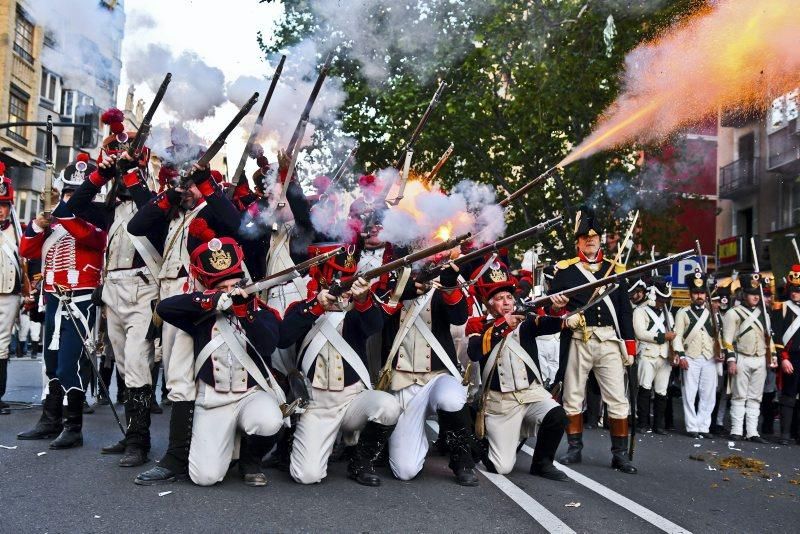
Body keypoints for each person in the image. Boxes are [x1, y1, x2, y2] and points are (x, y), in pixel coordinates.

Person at [129, 138, 244, 485]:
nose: (188, 189)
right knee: (176, 375)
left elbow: (234, 222)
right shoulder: (170, 211)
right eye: (185, 182)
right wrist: (171, 194)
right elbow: (136, 226)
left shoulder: (211, 208)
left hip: (200, 296)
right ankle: (180, 453)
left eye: (191, 183)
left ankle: (189, 454)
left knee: (194, 377)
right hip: (169, 296)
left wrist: (205, 182)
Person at [67, 108, 160, 467]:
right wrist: (101, 173)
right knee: (123, 363)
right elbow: (73, 207)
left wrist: (133, 174)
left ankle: (140, 440)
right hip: (113, 292)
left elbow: (148, 211)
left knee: (137, 362)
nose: (121, 179)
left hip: (142, 290)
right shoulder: (110, 210)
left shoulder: (150, 202)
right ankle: (132, 434)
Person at [156, 232, 285, 486]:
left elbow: (269, 344)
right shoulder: (200, 315)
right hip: (213, 400)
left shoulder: (261, 312)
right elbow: (164, 308)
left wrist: (246, 312)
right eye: (222, 288)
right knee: (205, 477)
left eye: (235, 285)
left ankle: (251, 460)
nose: (231, 291)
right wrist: (210, 301)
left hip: (250, 395)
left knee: (270, 420)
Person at [279, 243, 401, 486]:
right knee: (307, 476)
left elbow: (374, 325)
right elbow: (283, 337)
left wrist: (364, 298)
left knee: (388, 406)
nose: (345, 288)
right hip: (316, 404)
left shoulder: (358, 309)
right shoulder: (302, 307)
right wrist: (316, 306)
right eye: (338, 280)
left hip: (352, 399)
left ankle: (362, 461)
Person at [17, 156, 106, 448]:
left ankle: (74, 426)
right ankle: (50, 419)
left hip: (80, 300)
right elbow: (27, 249)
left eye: (75, 196)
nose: (69, 201)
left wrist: (63, 211)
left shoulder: (97, 226)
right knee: (52, 362)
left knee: (70, 364)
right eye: (66, 195)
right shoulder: (53, 227)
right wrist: (37, 225)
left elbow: (81, 232)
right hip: (54, 298)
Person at [550, 206, 637, 474]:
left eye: (595, 237)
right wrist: (562, 312)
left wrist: (629, 345)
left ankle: (619, 455)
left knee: (617, 398)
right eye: (585, 238)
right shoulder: (565, 272)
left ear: (600, 239)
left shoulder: (616, 269)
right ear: (577, 241)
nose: (591, 241)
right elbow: (553, 309)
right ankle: (574, 448)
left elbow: (624, 311)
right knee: (573, 395)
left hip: (609, 341)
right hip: (579, 339)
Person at [467, 260, 569, 480]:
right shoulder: (479, 326)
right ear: (488, 303)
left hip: (530, 393)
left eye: (509, 298)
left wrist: (557, 309)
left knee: (557, 414)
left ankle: (542, 463)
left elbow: (549, 323)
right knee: (500, 467)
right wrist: (505, 325)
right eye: (500, 298)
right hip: (501, 402)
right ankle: (483, 441)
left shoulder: (527, 321)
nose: (506, 303)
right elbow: (475, 352)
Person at [381, 260, 479, 486]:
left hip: (438, 376)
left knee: (452, 399)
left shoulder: (441, 289)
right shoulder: (391, 288)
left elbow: (459, 316)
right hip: (401, 380)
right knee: (405, 470)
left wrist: (449, 284)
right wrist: (401, 293)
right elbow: (375, 316)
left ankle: (462, 461)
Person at [721, 273, 770, 442]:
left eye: (757, 293)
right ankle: (736, 430)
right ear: (744, 294)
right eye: (751, 293)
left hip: (760, 358)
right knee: (739, 395)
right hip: (741, 356)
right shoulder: (733, 313)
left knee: (756, 397)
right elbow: (727, 340)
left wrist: (773, 357)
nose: (756, 296)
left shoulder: (764, 313)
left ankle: (752, 432)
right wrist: (731, 360)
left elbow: (768, 338)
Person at [674, 269, 719, 438]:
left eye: (702, 292)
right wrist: (682, 355)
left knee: (708, 394)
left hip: (709, 358)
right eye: (696, 293)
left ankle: (704, 426)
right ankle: (692, 426)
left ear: (706, 294)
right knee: (689, 393)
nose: (699, 296)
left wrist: (720, 352)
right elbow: (677, 337)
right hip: (690, 357)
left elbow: (718, 337)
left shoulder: (713, 314)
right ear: (690, 295)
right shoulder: (683, 313)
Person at [633, 276, 675, 435]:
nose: (662, 302)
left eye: (665, 299)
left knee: (662, 392)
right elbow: (640, 333)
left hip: (664, 356)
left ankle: (659, 425)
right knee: (644, 389)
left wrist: (675, 353)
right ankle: (643, 423)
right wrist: (662, 337)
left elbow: (673, 335)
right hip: (647, 354)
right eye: (660, 298)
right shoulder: (640, 311)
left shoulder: (668, 314)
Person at [0, 166, 24, 415]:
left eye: (3, 204)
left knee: (1, 345)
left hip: (8, 294)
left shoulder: (18, 232)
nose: (0, 209)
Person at [772, 265, 800, 445]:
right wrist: (783, 358)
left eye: (798, 290)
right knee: (788, 395)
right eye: (793, 289)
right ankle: (785, 434)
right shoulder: (780, 307)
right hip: (790, 357)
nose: (794, 293)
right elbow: (777, 335)